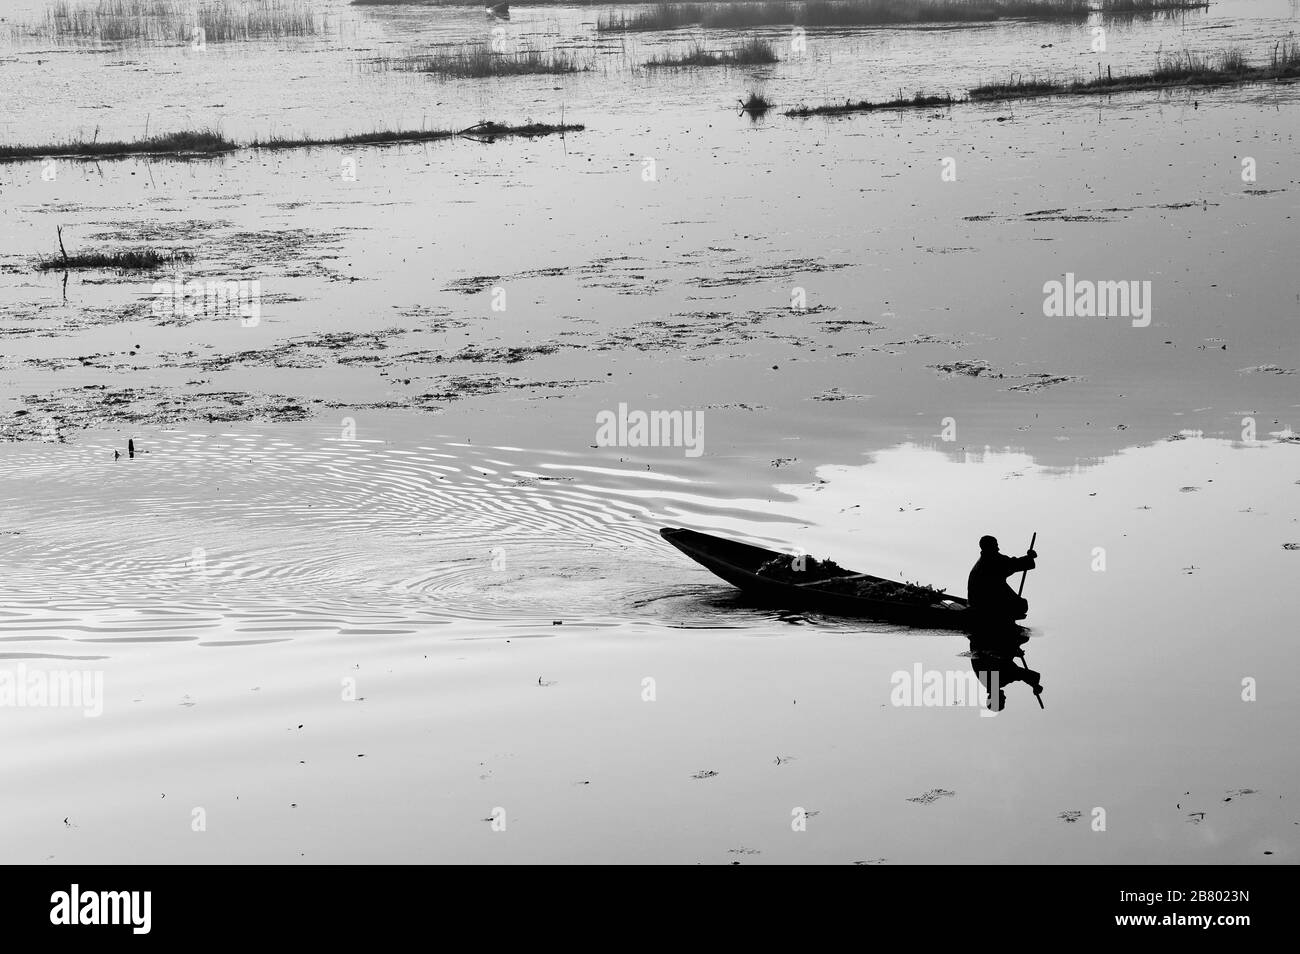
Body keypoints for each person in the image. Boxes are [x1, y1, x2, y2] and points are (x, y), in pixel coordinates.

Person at [967, 535, 1036, 627]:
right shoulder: (993, 560)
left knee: (1021, 604)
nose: (998, 548)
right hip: (987, 602)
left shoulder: (984, 561)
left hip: (978, 602)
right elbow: (1013, 564)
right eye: (996, 546)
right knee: (1021, 605)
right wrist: (1029, 558)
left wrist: (1028, 559)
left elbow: (1011, 563)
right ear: (990, 547)